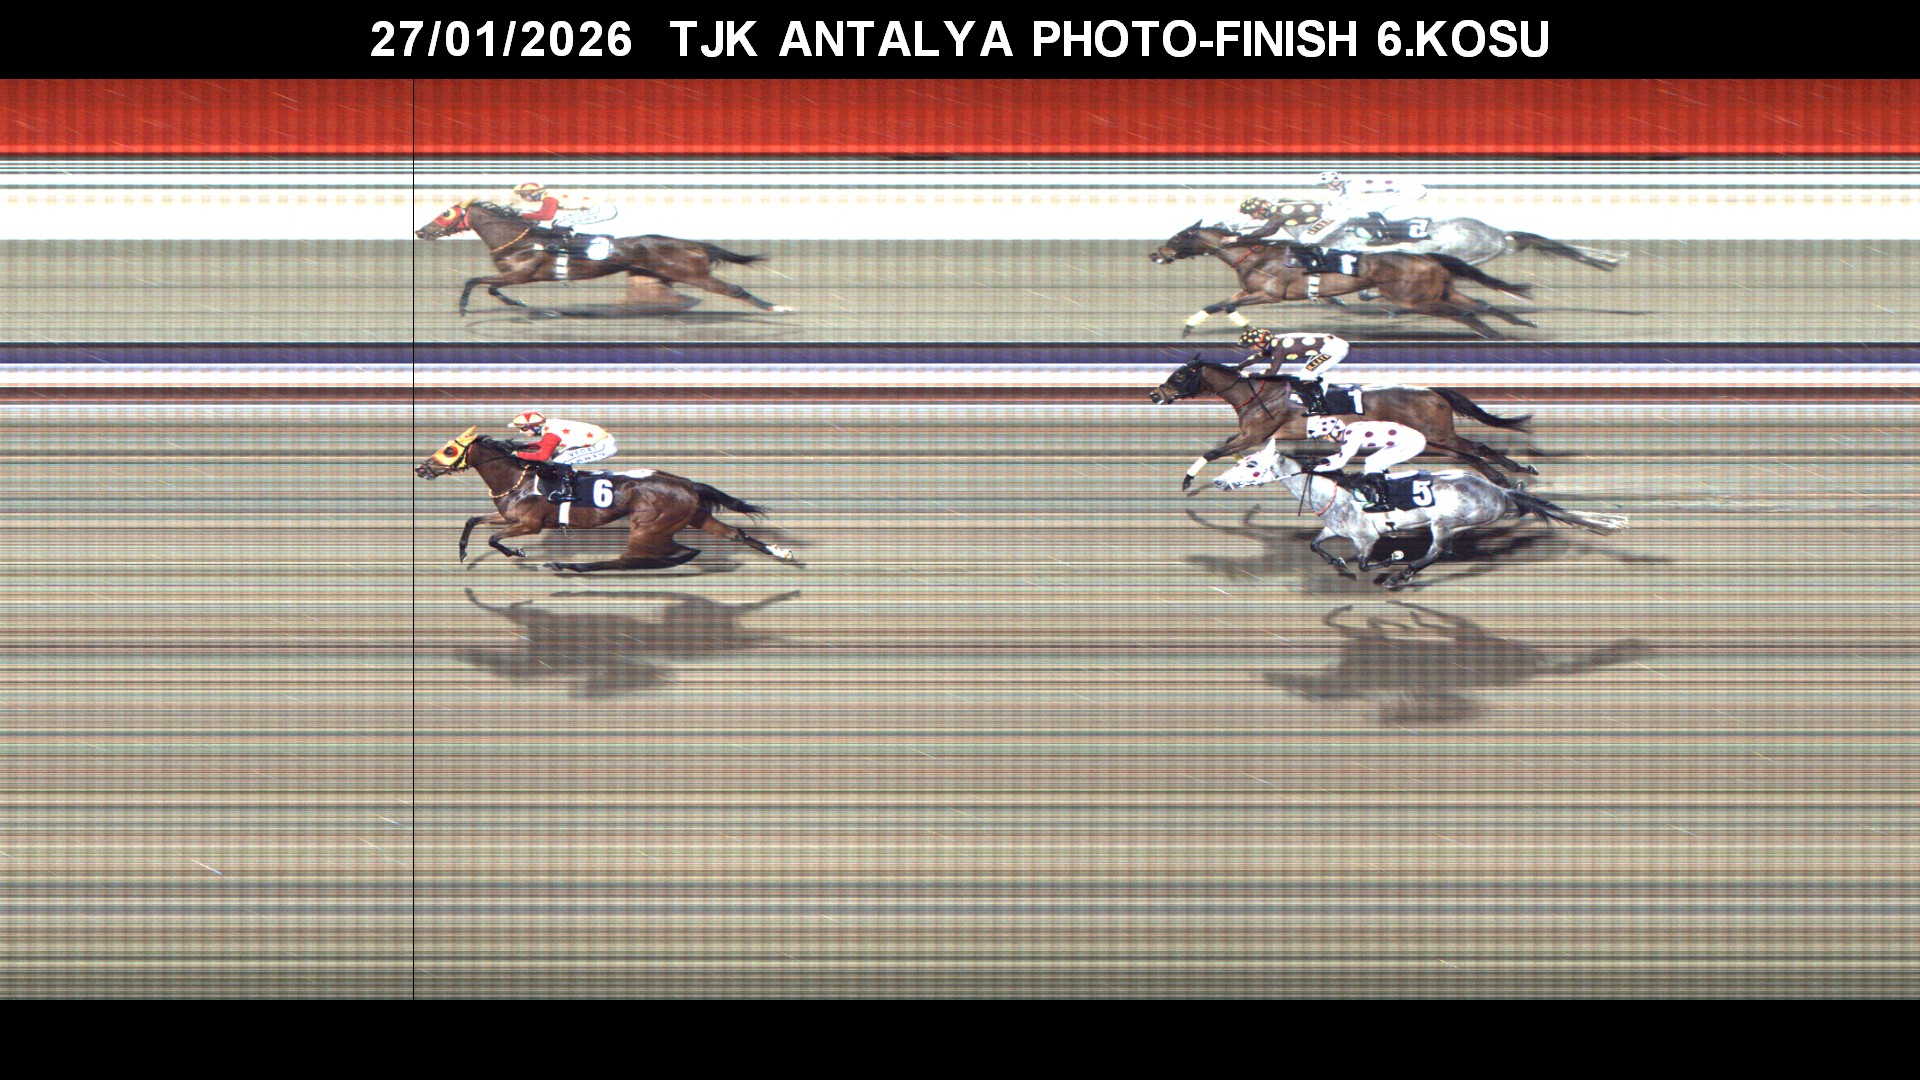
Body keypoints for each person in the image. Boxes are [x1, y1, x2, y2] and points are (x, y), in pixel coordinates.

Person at [1305, 414, 1427, 511]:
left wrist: (1316, 469)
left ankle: (1384, 502)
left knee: (1373, 465)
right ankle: (1387, 492)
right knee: (1371, 461)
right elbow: (1342, 454)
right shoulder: (1351, 429)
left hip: (1412, 443)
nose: (1327, 440)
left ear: (1334, 431)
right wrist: (1325, 460)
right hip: (1410, 439)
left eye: (1326, 436)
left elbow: (1341, 462)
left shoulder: (1351, 436)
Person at [508, 411, 619, 503]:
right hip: (598, 441)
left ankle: (568, 492)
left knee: (561, 460)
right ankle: (566, 481)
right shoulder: (548, 426)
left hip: (604, 446)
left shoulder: (551, 433)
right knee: (557, 457)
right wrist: (525, 445)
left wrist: (518, 454)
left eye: (524, 428)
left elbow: (543, 456)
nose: (521, 431)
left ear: (535, 427)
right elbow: (544, 443)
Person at [1300, 170, 1430, 248]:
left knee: (1351, 213)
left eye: (1328, 184)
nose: (1328, 187)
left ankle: (1383, 236)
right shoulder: (1341, 189)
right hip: (1379, 205)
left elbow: (1350, 207)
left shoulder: (1354, 185)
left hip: (1392, 202)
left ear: (1336, 181)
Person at [1236, 328, 1349, 414]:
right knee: (1308, 374)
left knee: (1306, 374)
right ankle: (1318, 399)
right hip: (1331, 345)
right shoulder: (1275, 342)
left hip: (1334, 349)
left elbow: (1271, 372)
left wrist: (1249, 375)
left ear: (1262, 343)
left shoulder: (1279, 349)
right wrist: (1239, 366)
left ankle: (1318, 406)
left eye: (1252, 346)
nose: (1251, 349)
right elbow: (1259, 356)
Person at [511, 183, 617, 263]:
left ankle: (572, 245)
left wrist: (522, 215)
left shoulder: (550, 199)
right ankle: (567, 244)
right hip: (600, 209)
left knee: (561, 223)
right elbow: (542, 213)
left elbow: (547, 216)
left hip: (603, 210)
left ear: (534, 193)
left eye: (524, 195)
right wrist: (524, 214)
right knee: (559, 222)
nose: (522, 198)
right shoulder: (548, 197)